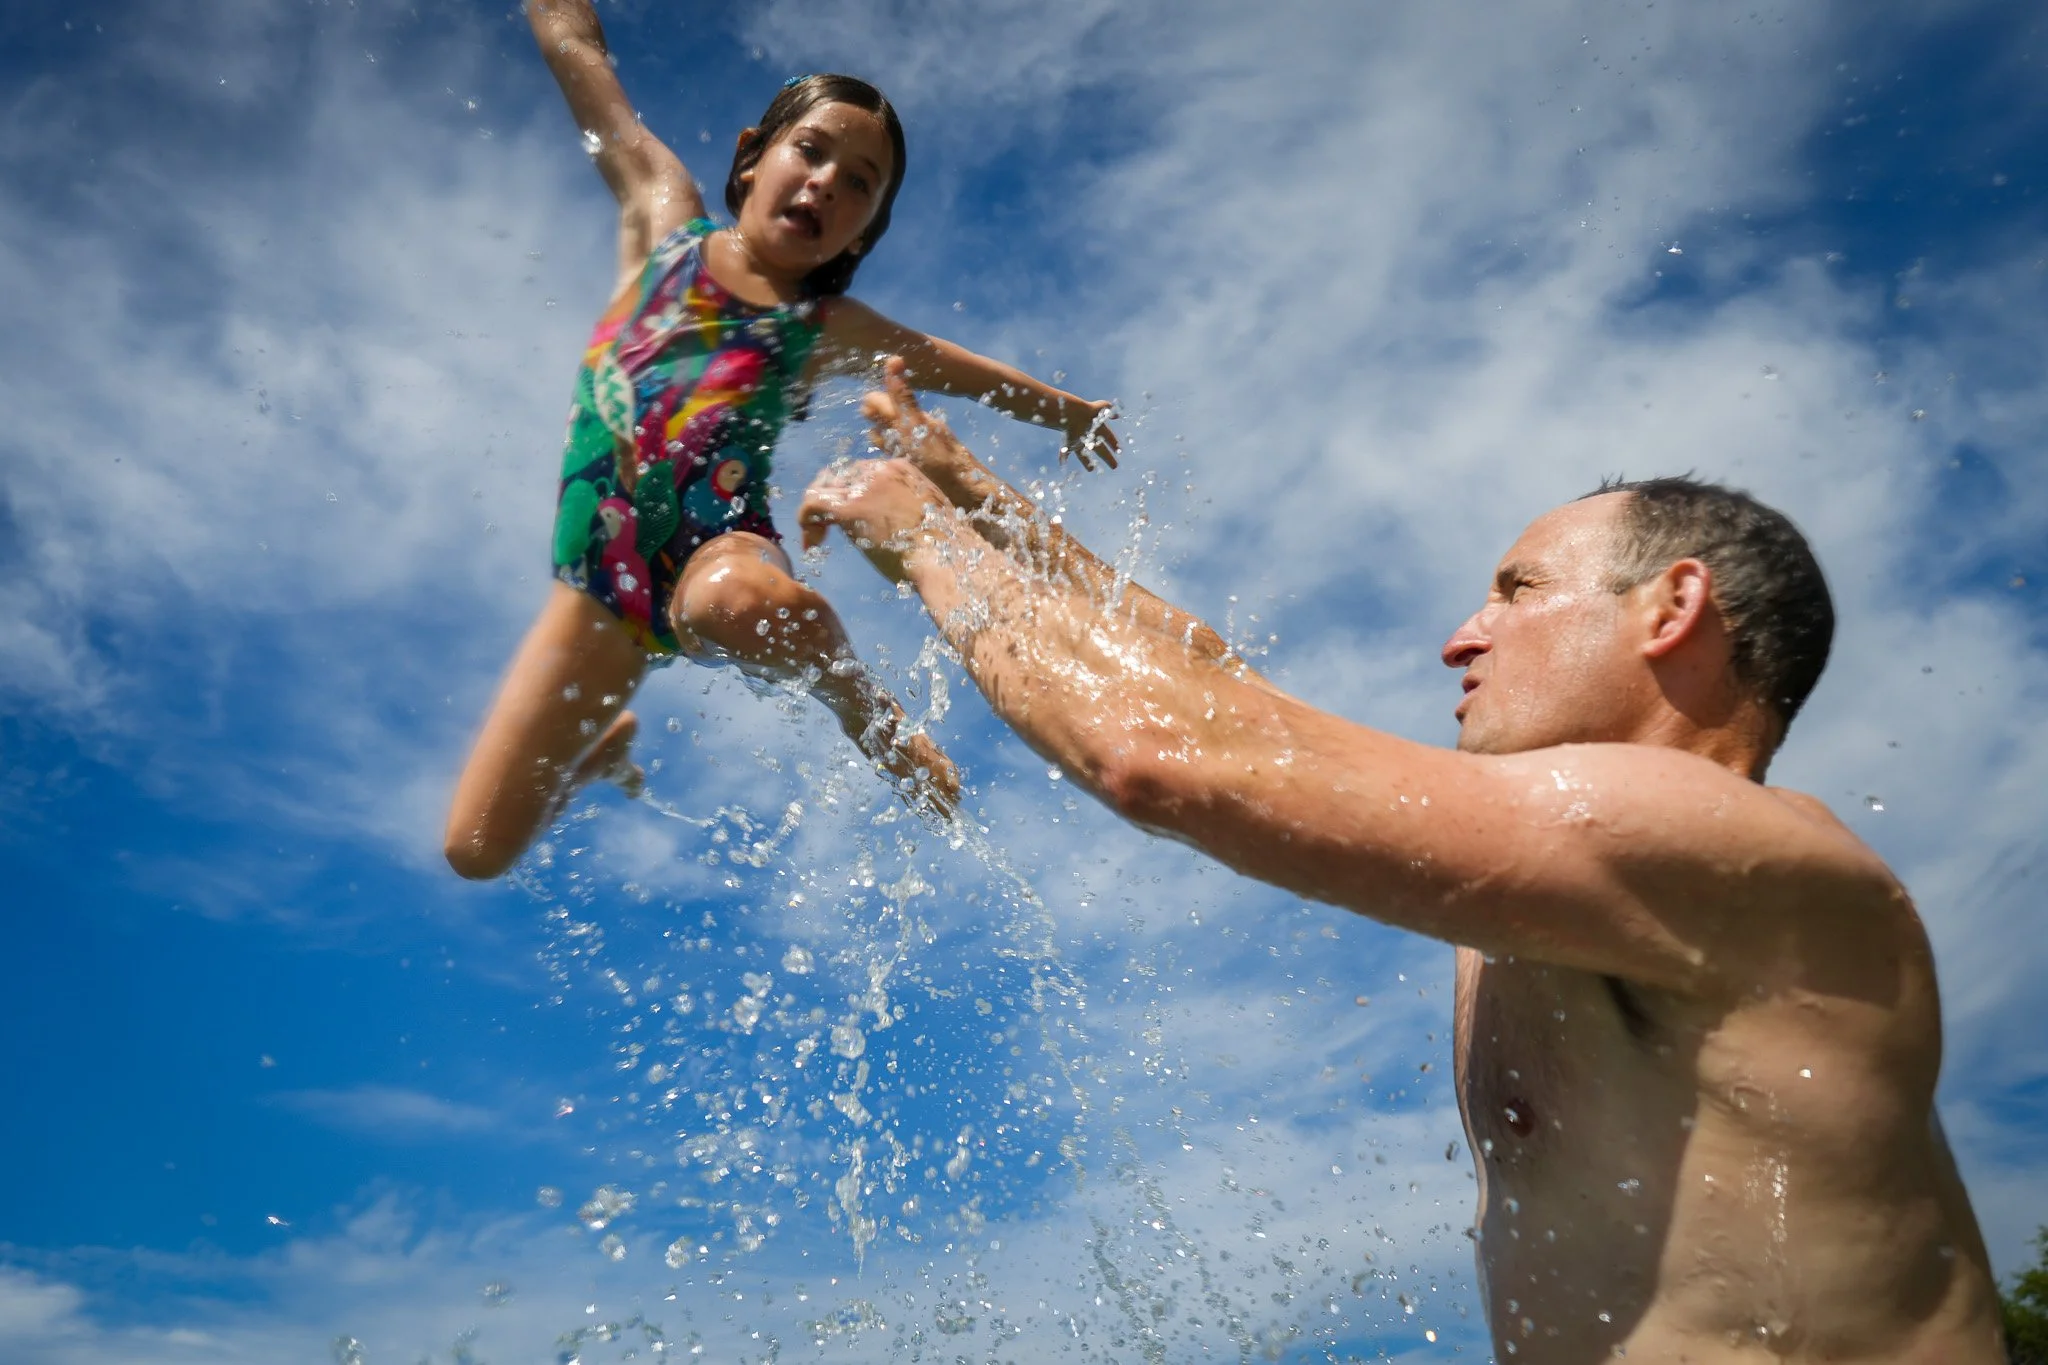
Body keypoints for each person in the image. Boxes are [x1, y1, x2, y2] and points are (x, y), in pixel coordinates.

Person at [795, 360, 2006, 1360]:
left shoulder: (1729, 846)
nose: (1459, 638)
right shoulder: (1579, 864)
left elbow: (1161, 752)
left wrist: (920, 542)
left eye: (1516, 590)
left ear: (1669, 605)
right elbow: (1211, 691)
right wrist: (970, 495)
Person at [444, 1, 1117, 880]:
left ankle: (866, 712)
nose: (827, 183)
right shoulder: (664, 216)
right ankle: (594, 755)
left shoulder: (822, 326)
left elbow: (954, 366)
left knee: (738, 603)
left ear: (865, 229)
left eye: (860, 183)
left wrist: (1069, 411)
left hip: (718, 548)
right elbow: (579, 57)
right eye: (812, 150)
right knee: (473, 851)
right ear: (752, 154)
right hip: (596, 586)